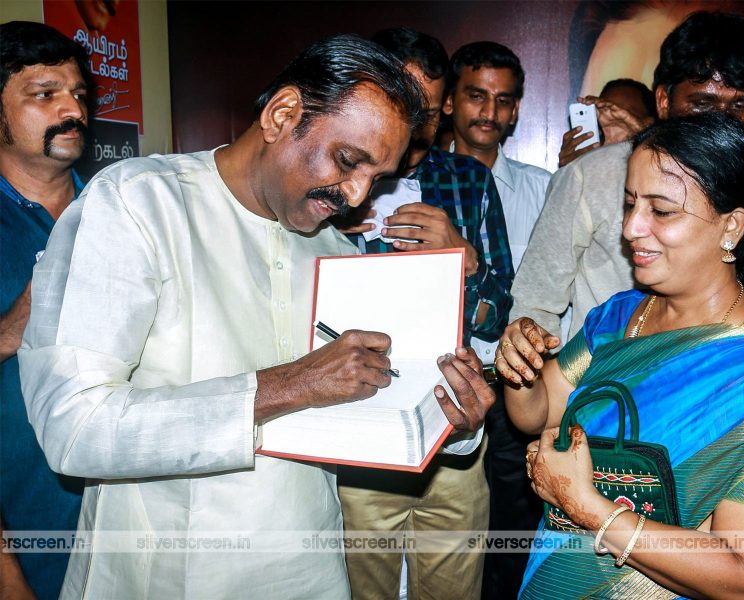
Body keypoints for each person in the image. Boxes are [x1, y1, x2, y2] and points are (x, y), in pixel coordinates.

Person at [18, 35, 495, 599]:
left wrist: (453, 422)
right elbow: (73, 428)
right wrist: (287, 385)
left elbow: (368, 422)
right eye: (348, 162)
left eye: (378, 178)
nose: (358, 195)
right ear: (282, 114)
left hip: (311, 575)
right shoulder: (139, 204)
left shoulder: (335, 252)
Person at [496, 113, 744, 598]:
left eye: (661, 211)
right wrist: (520, 367)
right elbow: (537, 413)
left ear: (731, 227)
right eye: (629, 204)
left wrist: (590, 509)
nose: (630, 228)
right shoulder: (620, 318)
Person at [335, 28, 511, 600]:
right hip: (355, 430)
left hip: (455, 426)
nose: (416, 123)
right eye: (404, 103)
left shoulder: (468, 181)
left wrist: (466, 261)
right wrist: (333, 235)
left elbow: (498, 314)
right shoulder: (330, 178)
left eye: (429, 112)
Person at [511, 12, 744, 344]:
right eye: (703, 104)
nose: (723, 122)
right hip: (603, 385)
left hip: (734, 390)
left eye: (740, 105)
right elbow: (535, 306)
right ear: (664, 101)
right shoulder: (591, 176)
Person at [441, 40, 551, 598]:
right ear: (447, 101)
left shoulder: (545, 188)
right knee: (444, 538)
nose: (489, 112)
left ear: (517, 109)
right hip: (441, 384)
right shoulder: (412, 184)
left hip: (517, 387)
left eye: (503, 100)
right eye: (476, 96)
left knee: (512, 530)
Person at [0, 21, 91, 600]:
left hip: (130, 525)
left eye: (79, 94)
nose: (71, 109)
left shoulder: (122, 210)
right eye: (44, 93)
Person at [558, 78, 656, 168]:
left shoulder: (659, 163)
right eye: (606, 114)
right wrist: (569, 172)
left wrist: (644, 138)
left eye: (624, 117)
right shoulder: (587, 166)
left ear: (650, 123)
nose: (615, 126)